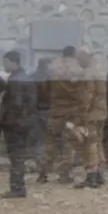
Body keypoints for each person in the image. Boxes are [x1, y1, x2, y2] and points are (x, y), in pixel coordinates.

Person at [37, 46, 85, 184]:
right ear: (74, 55)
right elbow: (83, 94)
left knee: (50, 142)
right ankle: (65, 174)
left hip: (55, 110)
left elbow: (45, 89)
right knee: (69, 144)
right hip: (71, 112)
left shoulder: (52, 69)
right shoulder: (79, 71)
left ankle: (43, 173)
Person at [0, 51, 37, 198]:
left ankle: (17, 188)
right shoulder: (26, 78)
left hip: (15, 125)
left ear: (13, 62)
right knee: (19, 156)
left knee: (16, 157)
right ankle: (18, 187)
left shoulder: (16, 81)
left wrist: (6, 122)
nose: (4, 65)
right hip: (24, 124)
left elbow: (16, 105)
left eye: (6, 62)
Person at [74, 48, 108, 189]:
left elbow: (86, 97)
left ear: (85, 57)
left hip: (91, 114)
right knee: (98, 143)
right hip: (101, 113)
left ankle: (91, 176)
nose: (77, 61)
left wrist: (80, 115)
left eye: (79, 58)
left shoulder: (88, 73)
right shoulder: (99, 70)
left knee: (90, 145)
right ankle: (100, 174)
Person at [28, 57, 53, 161]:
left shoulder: (32, 77)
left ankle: (38, 158)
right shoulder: (48, 78)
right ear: (46, 65)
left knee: (38, 136)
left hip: (34, 110)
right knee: (46, 137)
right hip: (46, 110)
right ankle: (43, 159)